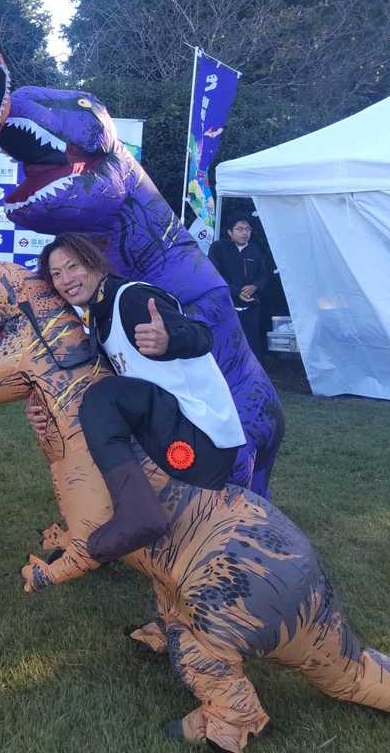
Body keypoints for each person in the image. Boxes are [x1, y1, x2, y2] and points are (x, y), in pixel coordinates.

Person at [40, 233, 247, 559]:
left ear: (94, 263)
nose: (66, 279)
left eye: (73, 266)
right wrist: (45, 412)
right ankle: (101, 528)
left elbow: (202, 335)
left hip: (201, 441)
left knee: (102, 398)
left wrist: (169, 341)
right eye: (56, 274)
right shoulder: (99, 316)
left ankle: (138, 516)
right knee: (90, 411)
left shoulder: (133, 298)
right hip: (168, 431)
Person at [207, 217, 271, 359]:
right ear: (230, 232)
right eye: (240, 229)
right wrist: (236, 292)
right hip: (226, 306)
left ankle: (253, 371)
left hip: (251, 307)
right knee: (226, 345)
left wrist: (255, 286)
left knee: (251, 346)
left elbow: (263, 274)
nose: (245, 233)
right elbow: (214, 275)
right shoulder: (218, 248)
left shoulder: (254, 250)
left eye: (248, 229)